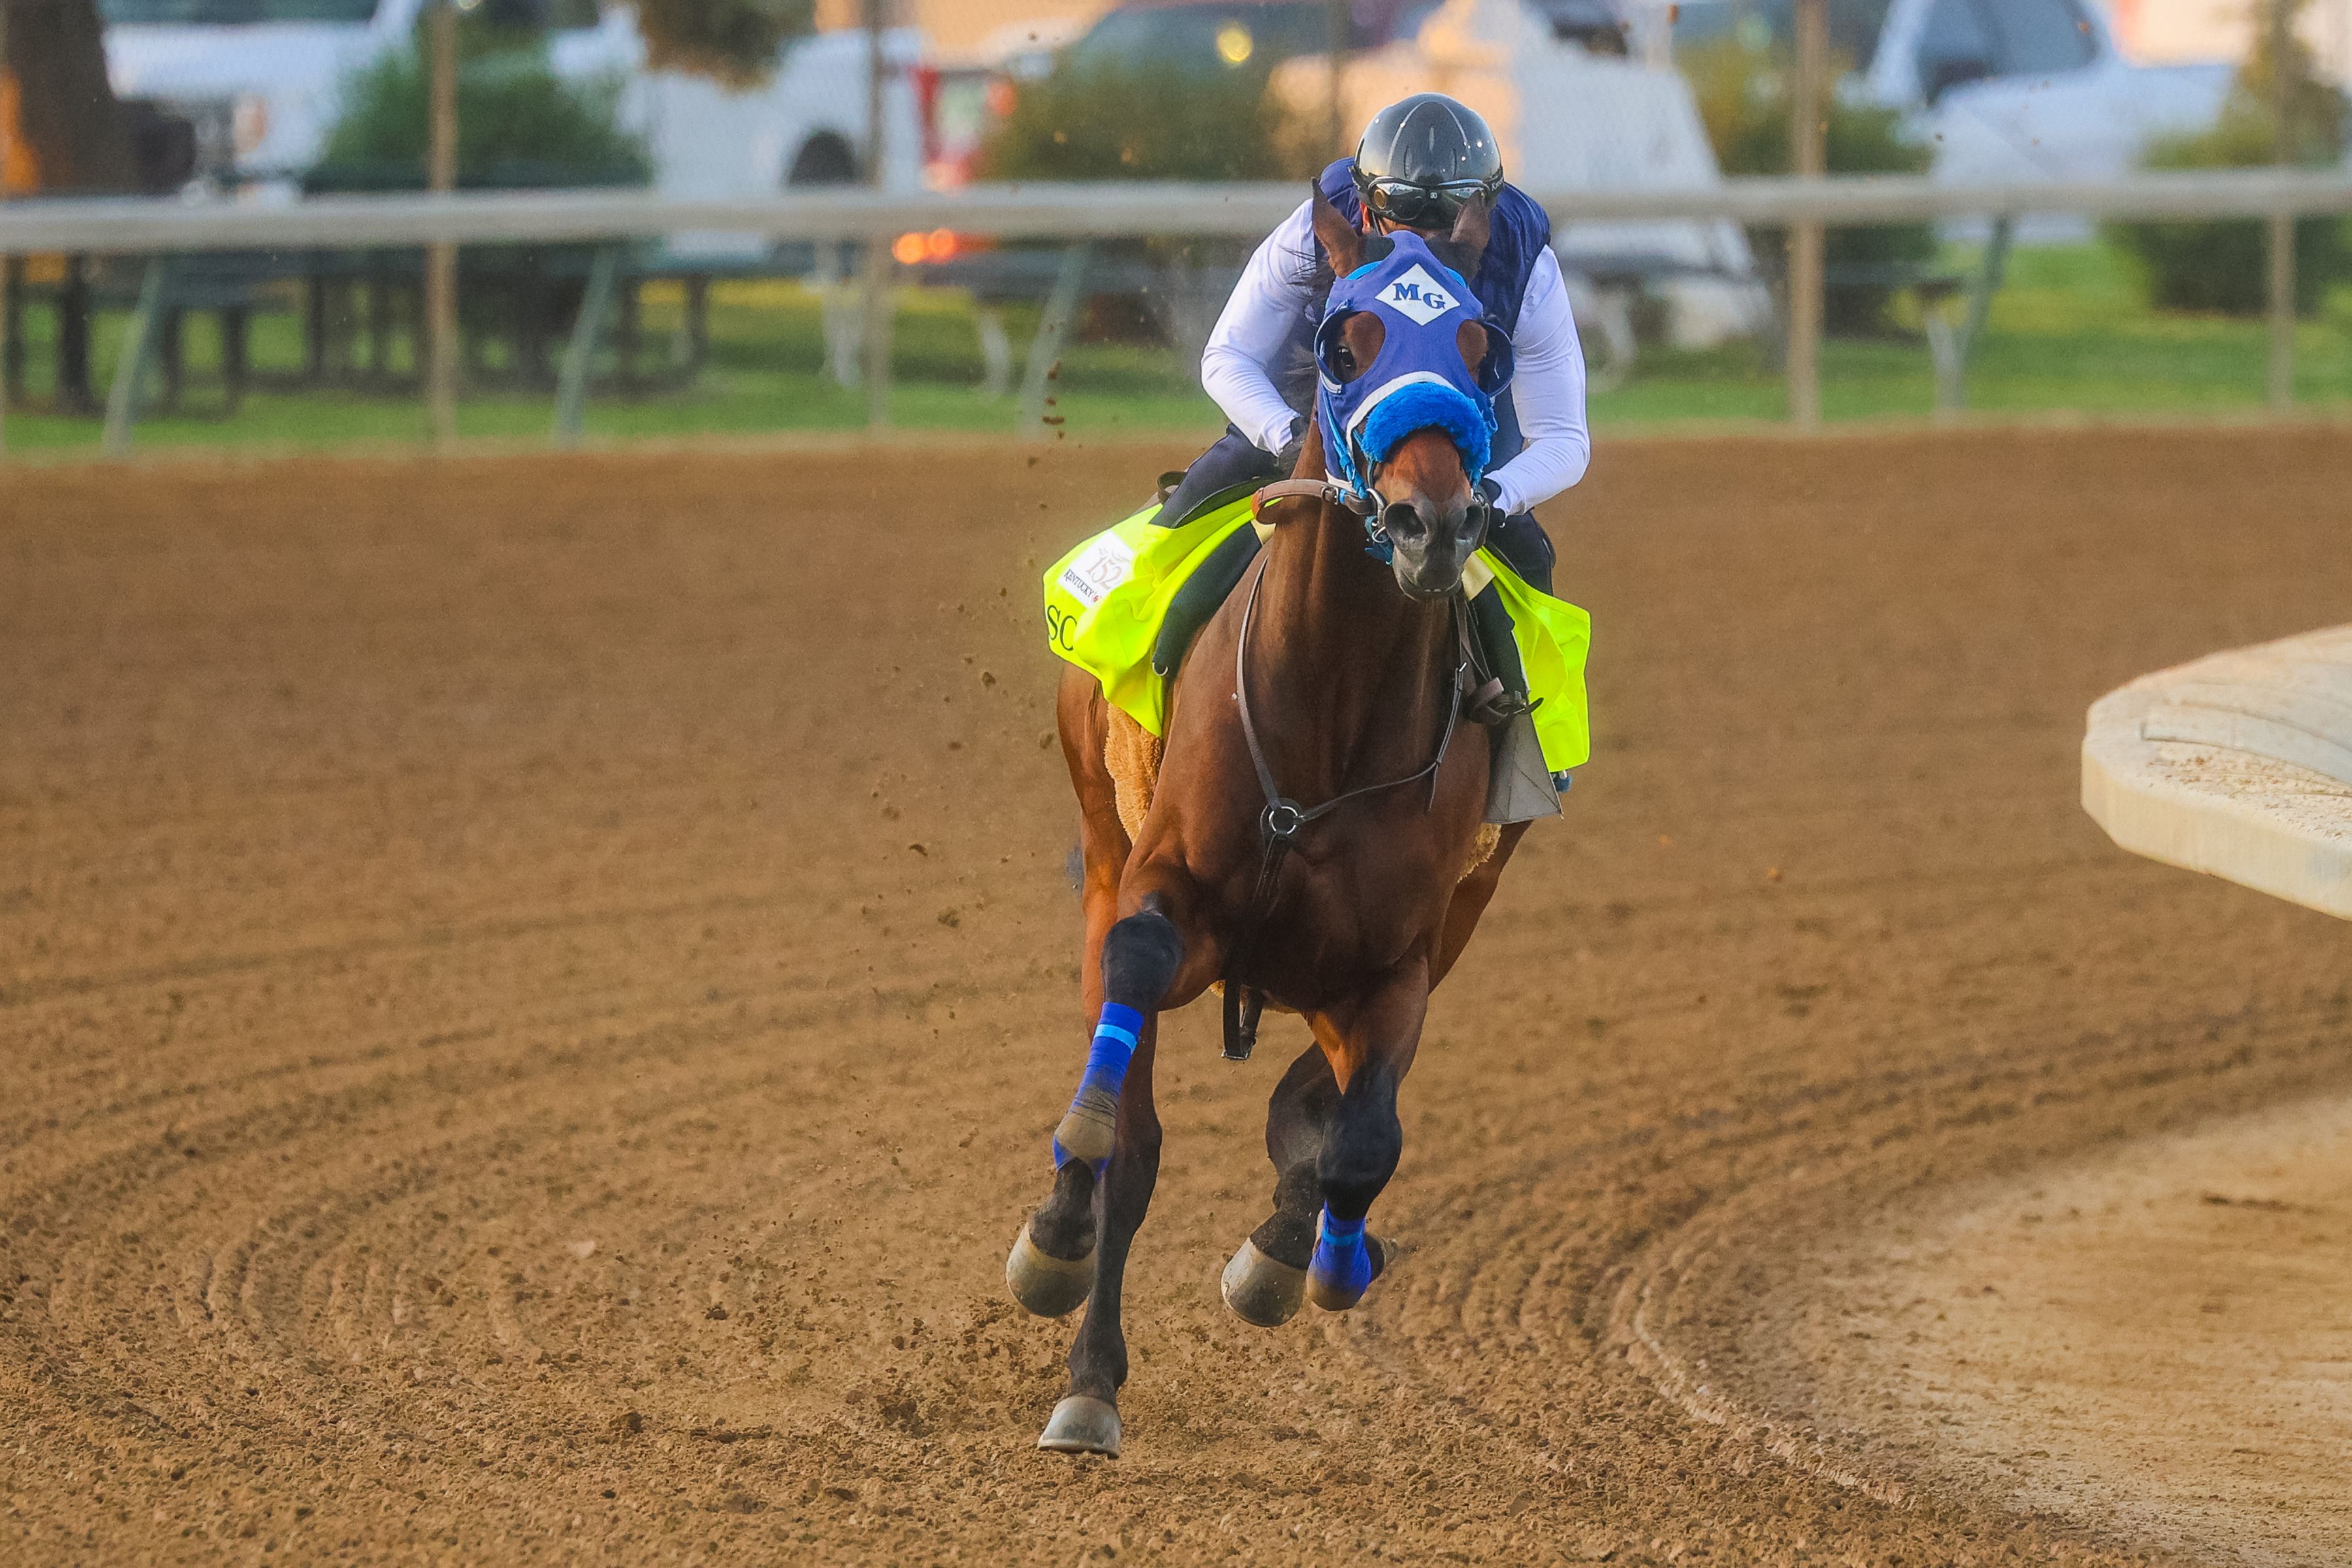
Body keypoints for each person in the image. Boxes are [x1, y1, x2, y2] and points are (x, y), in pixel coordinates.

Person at [1160, 92, 1590, 595]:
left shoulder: (1527, 263)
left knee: (1531, 570)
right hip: (1315, 418)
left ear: (1483, 223)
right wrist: (1292, 439)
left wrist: (1493, 495)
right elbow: (1229, 356)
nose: (1421, 255)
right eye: (1407, 225)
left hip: (1467, 444)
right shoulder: (1314, 225)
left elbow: (1564, 438)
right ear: (1365, 214)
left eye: (1444, 238)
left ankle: (1528, 677)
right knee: (1170, 538)